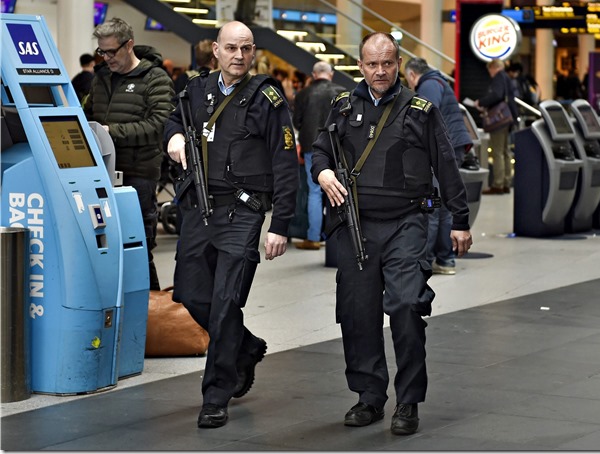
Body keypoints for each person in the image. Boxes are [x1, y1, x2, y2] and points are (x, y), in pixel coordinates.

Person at [310, 32, 472, 436]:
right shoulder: (343, 107)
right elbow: (319, 150)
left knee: (405, 305)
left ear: (398, 64)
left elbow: (446, 164)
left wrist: (461, 219)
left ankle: (409, 401)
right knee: (356, 310)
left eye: (387, 63)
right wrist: (323, 171)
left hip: (407, 223)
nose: (379, 71)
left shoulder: (420, 110)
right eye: (371, 64)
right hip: (357, 226)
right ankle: (369, 396)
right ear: (360, 66)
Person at [163, 20, 299, 429]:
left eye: (246, 48)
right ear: (216, 51)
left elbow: (284, 161)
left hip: (243, 213)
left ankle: (216, 394)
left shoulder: (268, 98)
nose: (239, 56)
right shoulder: (195, 90)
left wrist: (282, 224)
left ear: (253, 52)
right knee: (188, 293)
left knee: (224, 304)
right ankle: (247, 345)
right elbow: (173, 122)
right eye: (231, 48)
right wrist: (172, 138)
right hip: (198, 210)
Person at [84, 18, 174, 291]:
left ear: (129, 45)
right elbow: (87, 117)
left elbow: (160, 124)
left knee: (138, 249)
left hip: (138, 176)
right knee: (107, 248)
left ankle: (152, 318)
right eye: (102, 51)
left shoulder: (155, 78)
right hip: (102, 175)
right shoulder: (100, 79)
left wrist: (112, 131)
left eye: (111, 51)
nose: (106, 58)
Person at [404, 57, 474, 275]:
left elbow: (423, 116)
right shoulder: (440, 81)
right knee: (444, 208)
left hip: (445, 148)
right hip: (455, 146)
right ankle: (445, 259)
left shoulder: (429, 85)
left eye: (408, 80)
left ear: (413, 74)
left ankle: (426, 260)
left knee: (432, 206)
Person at [292, 61, 345, 250]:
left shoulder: (304, 94)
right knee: (340, 188)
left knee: (314, 190)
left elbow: (297, 121)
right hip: (338, 146)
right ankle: (338, 236)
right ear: (331, 74)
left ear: (314, 75)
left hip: (311, 146)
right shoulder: (341, 91)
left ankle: (314, 237)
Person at [476, 58, 519, 194]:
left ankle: (498, 184)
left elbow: (496, 94)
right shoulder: (507, 78)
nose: (490, 73)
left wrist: (481, 102)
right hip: (508, 118)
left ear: (494, 67)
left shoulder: (499, 77)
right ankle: (506, 182)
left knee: (497, 152)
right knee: (506, 151)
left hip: (499, 120)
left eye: (490, 70)